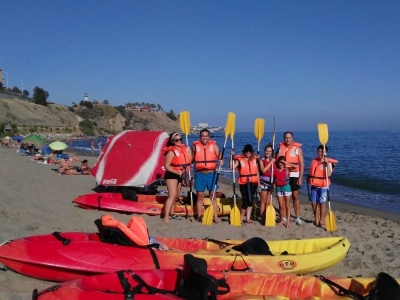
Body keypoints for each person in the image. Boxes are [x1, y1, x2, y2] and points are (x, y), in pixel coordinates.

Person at [192, 129, 222, 223]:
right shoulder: (195, 147)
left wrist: (221, 161)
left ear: (209, 137)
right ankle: (199, 216)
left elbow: (220, 157)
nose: (204, 137)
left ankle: (215, 217)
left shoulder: (214, 146)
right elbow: (191, 159)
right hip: (199, 174)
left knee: (212, 195)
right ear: (200, 137)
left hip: (211, 174)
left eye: (206, 136)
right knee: (200, 196)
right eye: (202, 136)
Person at [162, 132, 192, 224]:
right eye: (176, 140)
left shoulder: (185, 148)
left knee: (176, 196)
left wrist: (189, 151)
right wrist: (177, 172)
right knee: (172, 196)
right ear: (172, 141)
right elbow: (166, 166)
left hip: (181, 174)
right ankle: (166, 217)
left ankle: (172, 213)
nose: (179, 141)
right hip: (171, 174)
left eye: (180, 139)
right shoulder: (171, 152)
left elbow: (190, 160)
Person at [276, 131, 304, 226]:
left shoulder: (297, 149)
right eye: (286, 138)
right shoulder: (280, 148)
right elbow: (276, 161)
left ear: (292, 138)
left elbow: (302, 164)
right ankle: (283, 217)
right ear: (284, 138)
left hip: (294, 175)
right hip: (283, 175)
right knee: (284, 197)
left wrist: (300, 177)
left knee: (295, 196)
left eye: (289, 137)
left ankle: (297, 217)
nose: (288, 139)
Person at [308, 145, 337, 228]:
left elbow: (329, 174)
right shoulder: (314, 161)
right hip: (314, 185)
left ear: (325, 153)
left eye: (322, 151)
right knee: (314, 203)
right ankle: (316, 219)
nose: (320, 153)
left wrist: (327, 163)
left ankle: (321, 220)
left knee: (322, 204)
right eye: (319, 151)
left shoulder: (329, 162)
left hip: (323, 186)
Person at [230, 144, 260, 224]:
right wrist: (231, 156)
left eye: (249, 151)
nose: (248, 153)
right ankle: (240, 218)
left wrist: (259, 184)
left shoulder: (255, 159)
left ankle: (248, 219)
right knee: (245, 201)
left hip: (253, 183)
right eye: (246, 151)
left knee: (251, 201)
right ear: (244, 152)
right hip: (243, 183)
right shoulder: (240, 159)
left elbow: (257, 172)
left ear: (251, 152)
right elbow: (231, 167)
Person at [272, 156, 295, 228]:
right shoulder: (275, 170)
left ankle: (288, 222)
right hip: (279, 188)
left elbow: (296, 167)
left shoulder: (287, 170)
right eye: (280, 162)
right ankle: (281, 220)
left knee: (287, 205)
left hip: (286, 188)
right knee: (281, 206)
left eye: (282, 162)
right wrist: (274, 184)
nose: (281, 164)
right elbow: (274, 179)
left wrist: (285, 162)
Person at [258, 144, 274, 222]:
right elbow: (263, 171)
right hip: (263, 183)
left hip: (270, 184)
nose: (268, 152)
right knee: (263, 202)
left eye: (270, 151)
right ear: (264, 151)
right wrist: (271, 163)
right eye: (267, 151)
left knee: (268, 202)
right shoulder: (261, 160)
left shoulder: (273, 160)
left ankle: (267, 217)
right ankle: (262, 218)